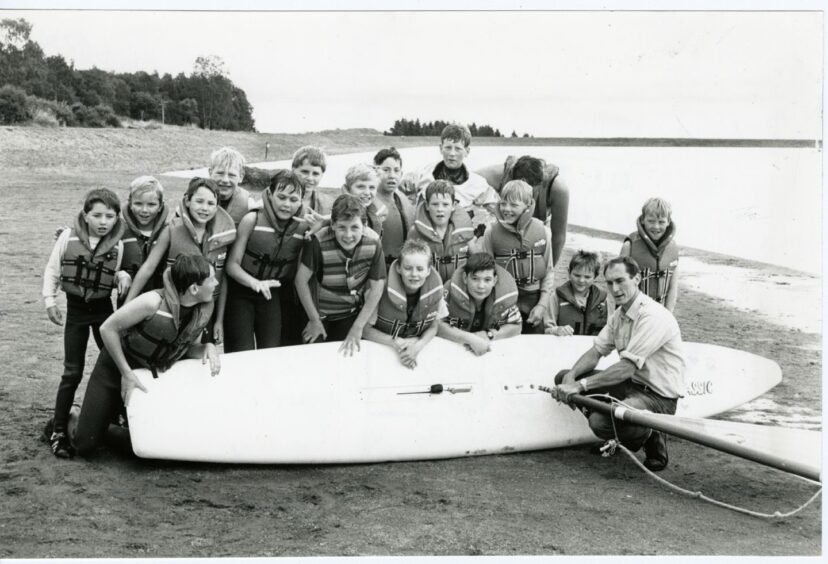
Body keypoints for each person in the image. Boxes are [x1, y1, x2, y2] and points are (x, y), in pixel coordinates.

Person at [73, 254, 221, 457]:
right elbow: (107, 328)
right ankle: (74, 418)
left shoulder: (202, 309)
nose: (217, 283)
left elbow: (184, 348)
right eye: (211, 279)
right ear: (194, 289)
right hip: (115, 370)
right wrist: (126, 373)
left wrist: (205, 348)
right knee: (85, 446)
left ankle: (103, 426)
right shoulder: (151, 302)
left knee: (151, 444)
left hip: (148, 377)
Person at [551, 256, 685, 471]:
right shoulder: (619, 315)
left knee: (599, 422)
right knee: (563, 375)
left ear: (637, 279)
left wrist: (578, 386)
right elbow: (596, 351)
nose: (615, 288)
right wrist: (572, 376)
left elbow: (626, 368)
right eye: (610, 283)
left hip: (658, 398)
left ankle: (651, 434)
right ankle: (618, 429)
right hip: (631, 386)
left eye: (620, 281)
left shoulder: (653, 316)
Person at [42, 188, 130, 458]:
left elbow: (113, 273)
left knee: (115, 364)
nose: (103, 222)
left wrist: (121, 276)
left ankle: (116, 417)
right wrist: (50, 300)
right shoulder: (67, 238)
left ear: (117, 218)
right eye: (97, 215)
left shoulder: (118, 245)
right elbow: (53, 270)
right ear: (86, 215)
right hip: (77, 313)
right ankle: (58, 430)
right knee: (72, 372)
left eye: (110, 216)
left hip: (104, 312)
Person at [125, 178, 236, 345]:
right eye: (199, 201)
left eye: (210, 203)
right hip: (172, 310)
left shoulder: (222, 238)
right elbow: (148, 267)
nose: (204, 208)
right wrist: (128, 304)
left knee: (198, 361)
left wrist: (219, 320)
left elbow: (222, 280)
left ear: (217, 206)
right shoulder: (172, 230)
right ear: (188, 201)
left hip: (205, 312)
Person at [224, 170, 311, 352]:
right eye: (281, 197)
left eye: (293, 200)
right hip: (242, 292)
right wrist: (254, 282)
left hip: (272, 295)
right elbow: (232, 265)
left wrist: (323, 224)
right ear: (270, 195)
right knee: (241, 352)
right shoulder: (252, 219)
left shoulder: (304, 228)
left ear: (301, 201)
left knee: (271, 352)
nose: (287, 204)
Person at [294, 194, 386, 354]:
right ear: (333, 225)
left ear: (364, 226)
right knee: (314, 356)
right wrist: (314, 320)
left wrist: (358, 327)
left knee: (347, 355)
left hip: (350, 313)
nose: (348, 235)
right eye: (342, 227)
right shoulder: (318, 241)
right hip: (319, 312)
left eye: (355, 228)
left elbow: (377, 286)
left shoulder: (373, 242)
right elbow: (300, 281)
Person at [474, 180, 555, 334]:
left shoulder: (544, 231)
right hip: (502, 297)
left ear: (528, 206)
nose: (506, 209)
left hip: (533, 299)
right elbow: (484, 273)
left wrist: (542, 305)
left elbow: (549, 272)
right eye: (503, 203)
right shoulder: (491, 233)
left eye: (514, 205)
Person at [363, 239, 448, 369]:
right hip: (381, 353)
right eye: (408, 268)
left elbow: (434, 326)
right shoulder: (378, 292)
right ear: (398, 268)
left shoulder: (435, 292)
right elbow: (365, 330)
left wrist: (418, 346)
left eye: (420, 269)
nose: (414, 274)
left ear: (428, 270)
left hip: (415, 352)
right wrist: (398, 343)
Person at [476, 154, 570, 267]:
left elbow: (559, 237)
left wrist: (548, 269)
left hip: (535, 227)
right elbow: (460, 183)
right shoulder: (498, 174)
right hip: (504, 225)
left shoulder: (558, 188)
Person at [406, 123, 499, 228]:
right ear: (441, 148)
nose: (452, 153)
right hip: (425, 237)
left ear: (467, 151)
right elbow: (400, 197)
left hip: (457, 239)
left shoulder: (478, 184)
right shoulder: (421, 174)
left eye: (458, 149)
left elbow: (498, 209)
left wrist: (481, 230)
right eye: (448, 147)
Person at [437, 252, 521, 356]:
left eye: (487, 280)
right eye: (475, 278)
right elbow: (436, 324)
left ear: (495, 281)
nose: (481, 286)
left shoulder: (504, 296)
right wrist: (469, 338)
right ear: (465, 278)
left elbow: (517, 326)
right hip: (453, 351)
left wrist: (489, 334)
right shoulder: (449, 291)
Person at [407, 179, 475, 282]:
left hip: (459, 286)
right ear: (427, 206)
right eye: (435, 204)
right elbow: (408, 264)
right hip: (429, 288)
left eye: (445, 204)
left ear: (453, 206)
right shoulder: (415, 233)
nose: (440, 209)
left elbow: (477, 260)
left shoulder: (464, 231)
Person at [620, 197, 679, 312]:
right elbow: (617, 283)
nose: (656, 226)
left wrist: (667, 316)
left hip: (659, 314)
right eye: (651, 221)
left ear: (668, 222)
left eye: (661, 222)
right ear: (642, 220)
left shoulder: (673, 249)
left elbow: (673, 288)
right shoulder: (629, 246)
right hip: (632, 312)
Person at [119, 176, 170, 303]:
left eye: (151, 204)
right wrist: (120, 275)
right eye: (138, 203)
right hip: (127, 303)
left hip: (160, 303)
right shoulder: (119, 232)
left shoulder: (169, 232)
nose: (144, 210)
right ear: (130, 203)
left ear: (160, 206)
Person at [544, 250, 613, 336]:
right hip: (564, 345)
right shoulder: (556, 297)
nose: (581, 280)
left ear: (595, 276)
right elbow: (547, 329)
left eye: (587, 277)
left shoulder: (604, 300)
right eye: (577, 275)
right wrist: (557, 330)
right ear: (569, 273)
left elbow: (611, 330)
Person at [372, 147, 415, 268]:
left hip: (403, 267)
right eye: (386, 170)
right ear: (375, 171)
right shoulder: (368, 201)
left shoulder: (403, 199)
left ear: (401, 173)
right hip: (379, 268)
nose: (392, 175)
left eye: (396, 170)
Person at [208, 147, 259, 226]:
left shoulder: (250, 205)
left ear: (241, 177)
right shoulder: (196, 199)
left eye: (232, 175)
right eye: (220, 173)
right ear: (210, 173)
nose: (225, 180)